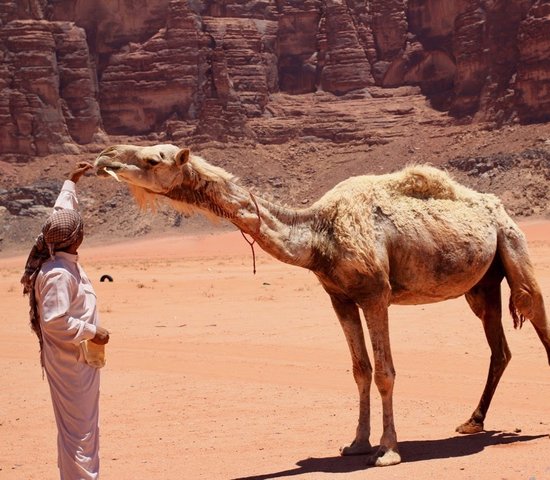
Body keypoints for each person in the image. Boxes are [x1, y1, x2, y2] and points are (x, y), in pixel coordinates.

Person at [21, 162, 110, 480]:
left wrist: (71, 182)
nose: (82, 230)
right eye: (80, 228)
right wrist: (93, 331)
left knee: (82, 426)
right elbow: (54, 320)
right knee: (79, 430)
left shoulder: (58, 253)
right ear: (75, 238)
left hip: (78, 358)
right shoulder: (58, 273)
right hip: (70, 362)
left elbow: (60, 214)